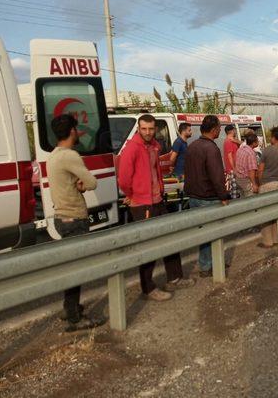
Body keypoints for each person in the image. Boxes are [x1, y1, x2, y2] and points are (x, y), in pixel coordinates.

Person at [118, 114, 193, 301]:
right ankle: (148, 289)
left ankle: (175, 277)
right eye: (144, 129)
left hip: (157, 199)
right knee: (148, 247)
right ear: (138, 128)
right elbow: (124, 179)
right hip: (142, 203)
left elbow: (154, 172)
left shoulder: (154, 146)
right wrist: (131, 195)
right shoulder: (132, 149)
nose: (148, 132)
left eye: (151, 129)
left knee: (169, 238)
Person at [47, 114, 102, 331]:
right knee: (77, 269)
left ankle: (69, 307)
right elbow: (92, 182)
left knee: (72, 267)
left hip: (60, 218)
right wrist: (81, 186)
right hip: (74, 218)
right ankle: (74, 318)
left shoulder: (53, 155)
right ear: (72, 131)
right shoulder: (70, 155)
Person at [184, 115, 231, 276]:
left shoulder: (192, 146)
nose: (219, 131)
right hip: (208, 198)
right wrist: (224, 196)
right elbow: (217, 176)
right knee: (214, 233)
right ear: (214, 129)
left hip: (193, 197)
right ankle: (210, 265)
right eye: (219, 128)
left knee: (203, 235)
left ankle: (207, 264)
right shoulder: (211, 148)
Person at [235, 133, 260, 197]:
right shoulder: (251, 153)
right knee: (251, 201)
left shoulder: (240, 149)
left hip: (238, 179)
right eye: (257, 141)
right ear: (254, 143)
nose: (258, 142)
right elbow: (251, 171)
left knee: (243, 200)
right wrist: (254, 184)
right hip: (246, 181)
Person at [223, 124, 241, 199]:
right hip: (232, 170)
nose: (235, 131)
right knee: (234, 193)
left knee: (236, 191)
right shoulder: (228, 142)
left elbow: (243, 144)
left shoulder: (232, 140)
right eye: (234, 130)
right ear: (231, 131)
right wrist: (234, 169)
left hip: (234, 169)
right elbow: (229, 156)